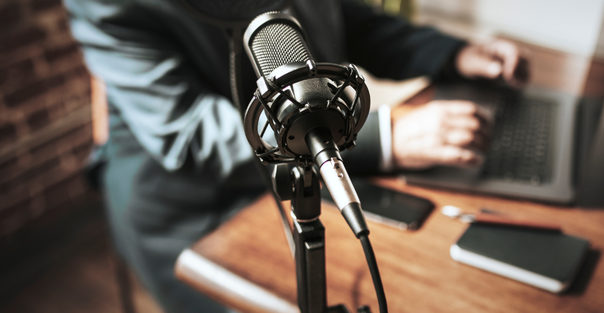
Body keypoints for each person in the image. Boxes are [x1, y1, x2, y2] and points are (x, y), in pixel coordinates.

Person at [65, 0, 529, 312]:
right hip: (196, 207)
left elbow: (349, 20)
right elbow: (195, 134)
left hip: (305, 165)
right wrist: (386, 138)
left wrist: (455, 54)